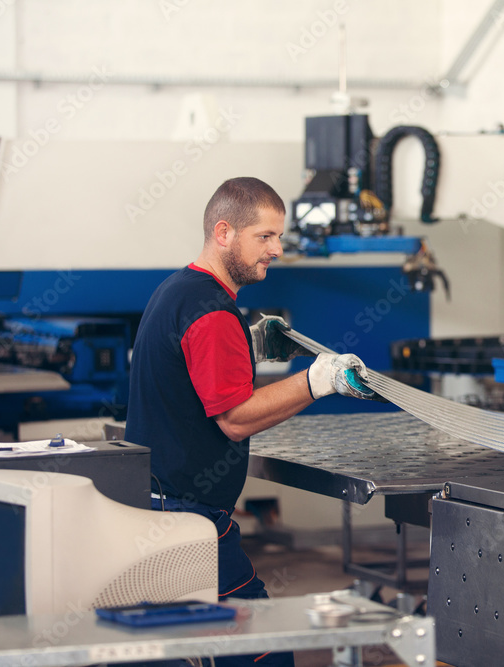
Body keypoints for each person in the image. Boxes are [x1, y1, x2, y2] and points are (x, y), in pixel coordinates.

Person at [125, 177, 375, 667]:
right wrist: (319, 380)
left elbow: (189, 368)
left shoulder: (179, 290)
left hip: (157, 506)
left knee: (176, 651)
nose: (277, 249)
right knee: (263, 650)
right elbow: (235, 419)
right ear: (224, 232)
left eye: (279, 237)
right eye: (264, 237)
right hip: (187, 521)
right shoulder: (212, 311)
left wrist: (250, 345)